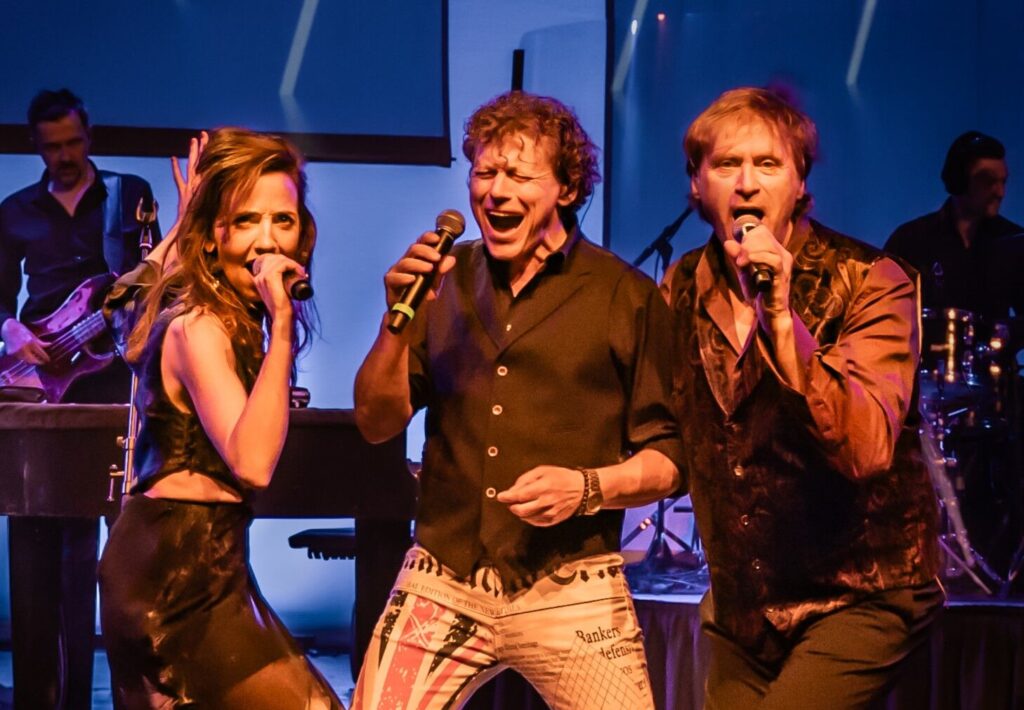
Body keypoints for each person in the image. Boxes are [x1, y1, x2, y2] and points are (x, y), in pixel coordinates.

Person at [351, 91, 683, 709]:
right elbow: (375, 422)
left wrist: (586, 488)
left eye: (520, 176)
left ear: (566, 188)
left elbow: (668, 460)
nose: (496, 192)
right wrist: (395, 326)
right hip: (443, 577)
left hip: (571, 585)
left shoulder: (624, 296)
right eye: (484, 173)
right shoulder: (443, 281)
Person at [662, 87, 942, 708]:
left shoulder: (873, 282)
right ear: (697, 184)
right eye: (727, 164)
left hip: (860, 594)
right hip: (745, 611)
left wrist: (782, 318)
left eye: (768, 163)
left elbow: (865, 447)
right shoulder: (681, 287)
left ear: (799, 183)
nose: (747, 183)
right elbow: (667, 435)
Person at [97, 127, 343, 708]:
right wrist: (283, 324)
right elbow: (253, 464)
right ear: (215, 236)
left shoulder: (229, 319)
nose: (267, 240)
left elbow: (125, 312)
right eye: (245, 221)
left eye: (282, 220)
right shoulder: (199, 326)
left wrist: (190, 227)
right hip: (173, 577)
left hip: (210, 563)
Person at [0, 88, 160, 708]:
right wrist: (13, 331)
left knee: (116, 547)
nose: (65, 156)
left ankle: (126, 692)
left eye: (73, 143)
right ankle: (41, 696)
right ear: (36, 147)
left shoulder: (129, 195)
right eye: (52, 147)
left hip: (111, 382)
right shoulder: (15, 211)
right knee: (35, 539)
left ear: (88, 136)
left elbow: (154, 276)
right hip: (41, 384)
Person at [885, 130, 1022, 319]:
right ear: (958, 181)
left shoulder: (1015, 243)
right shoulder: (910, 240)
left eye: (1003, 182)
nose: (1000, 192)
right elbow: (884, 312)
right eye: (988, 181)